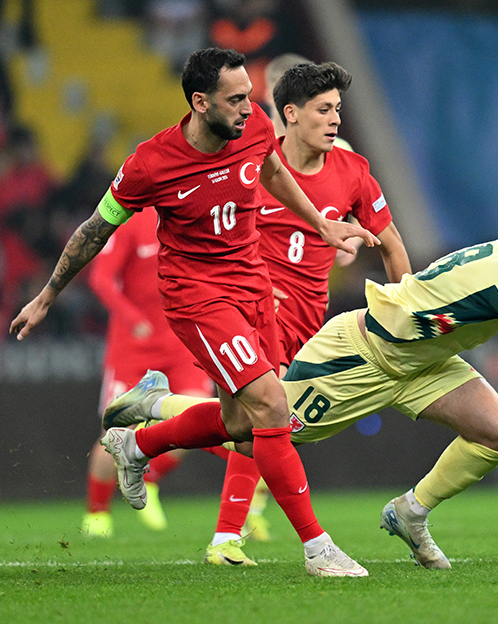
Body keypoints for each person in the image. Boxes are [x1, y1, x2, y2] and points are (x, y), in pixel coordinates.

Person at [106, 224, 498, 570]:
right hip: (362, 355)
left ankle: (409, 513)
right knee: (258, 427)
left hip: (425, 362)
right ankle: (146, 428)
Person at [9, 47, 380, 578]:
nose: (249, 109)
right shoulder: (150, 163)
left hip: (253, 285)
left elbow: (272, 171)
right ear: (200, 102)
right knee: (275, 408)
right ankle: (318, 548)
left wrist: (321, 227)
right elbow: (96, 229)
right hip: (198, 297)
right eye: (235, 100)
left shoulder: (250, 127)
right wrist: (47, 295)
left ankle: (137, 442)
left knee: (241, 424)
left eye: (249, 96)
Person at [205, 60, 412, 565]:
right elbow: (218, 232)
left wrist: (405, 310)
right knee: (265, 417)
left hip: (307, 320)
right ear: (290, 114)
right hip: (250, 309)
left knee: (251, 426)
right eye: (324, 110)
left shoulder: (354, 172)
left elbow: (391, 244)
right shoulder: (254, 166)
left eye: (338, 109)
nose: (335, 119)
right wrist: (244, 285)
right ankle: (236, 540)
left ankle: (152, 419)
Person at [81, 208, 216, 538]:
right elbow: (100, 278)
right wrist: (132, 319)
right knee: (113, 436)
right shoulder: (130, 223)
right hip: (133, 348)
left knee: (199, 418)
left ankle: (147, 477)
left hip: (182, 342)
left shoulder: (192, 215)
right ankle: (97, 514)